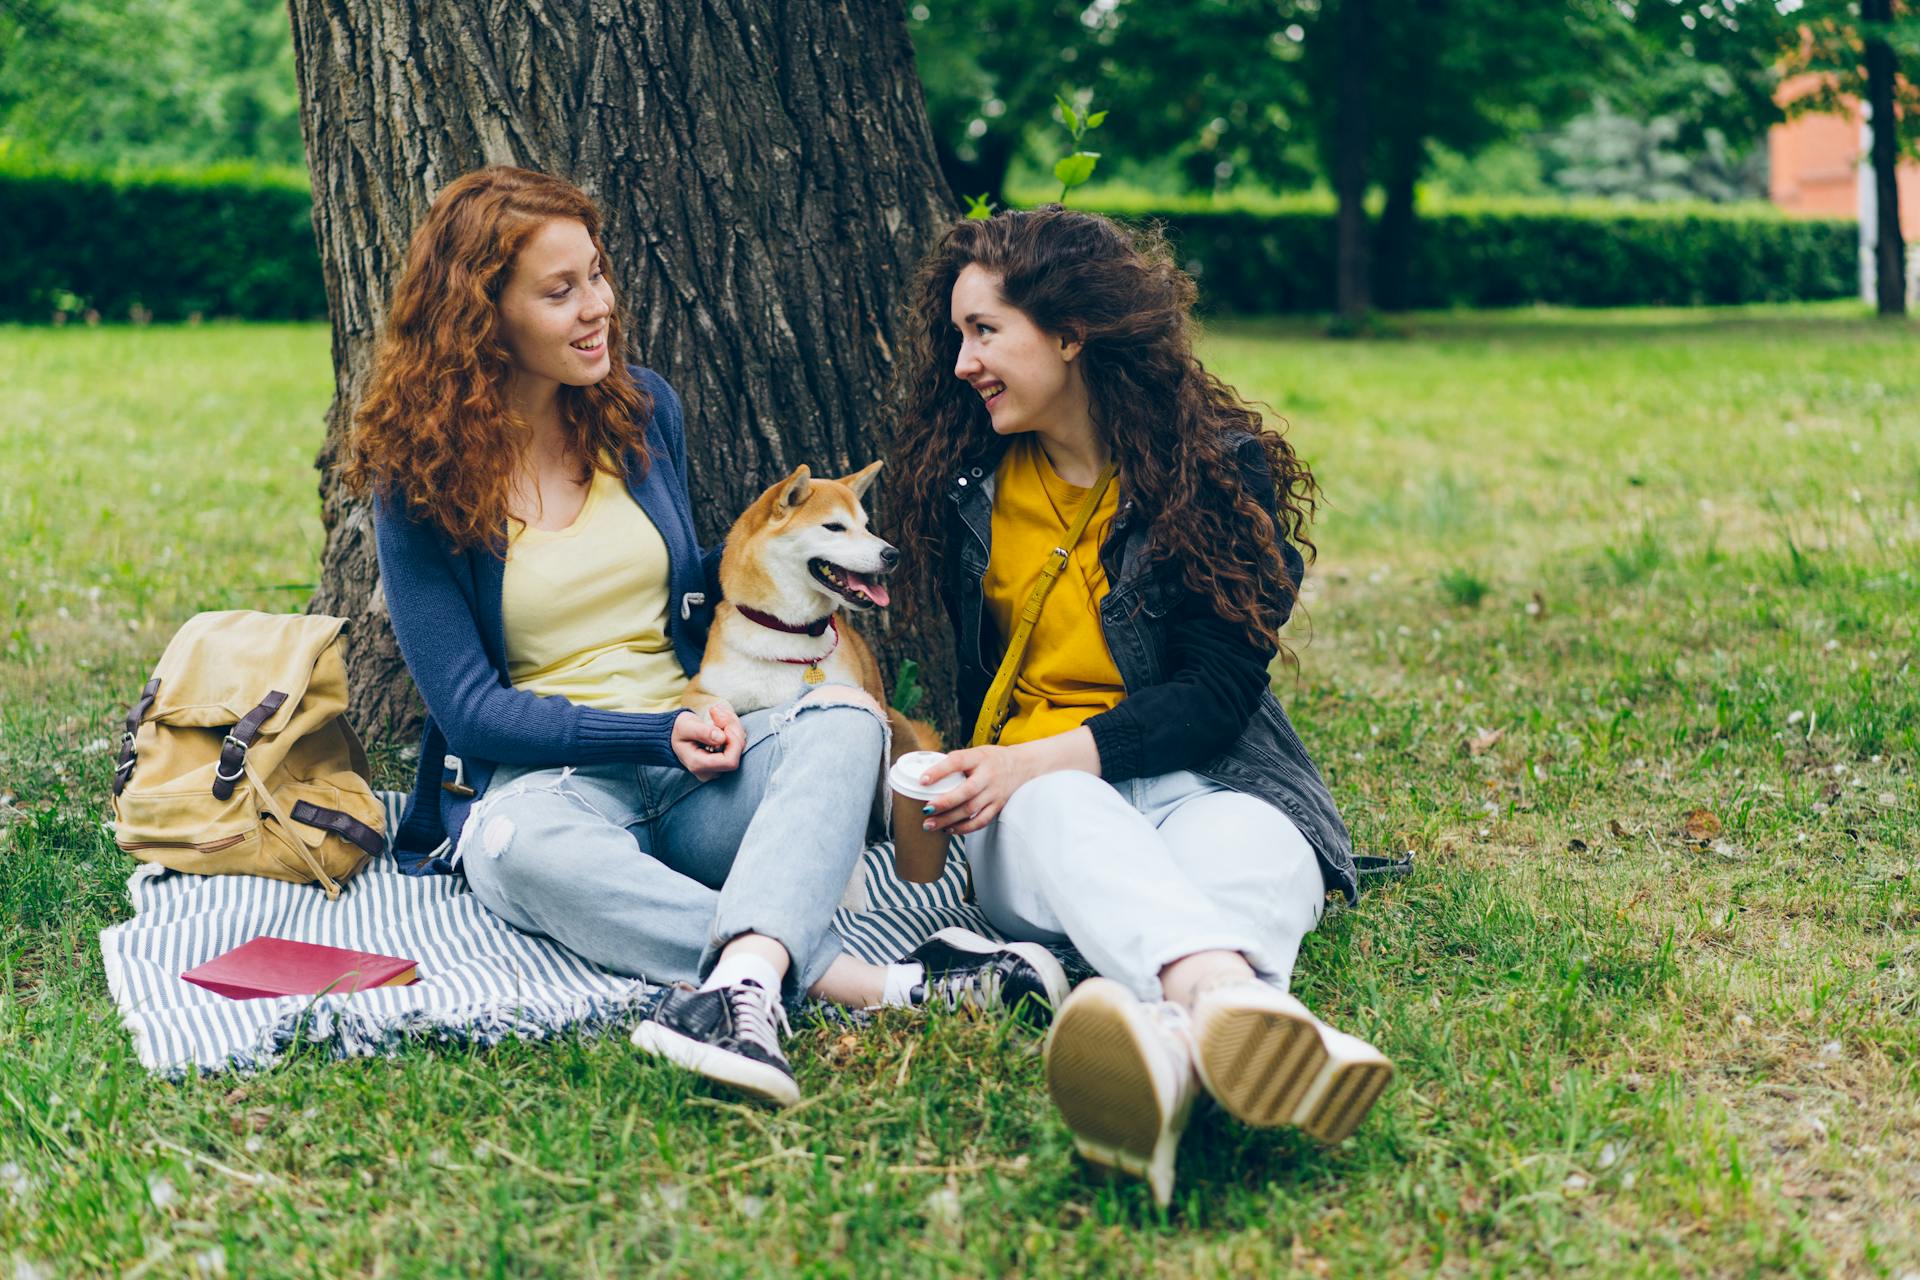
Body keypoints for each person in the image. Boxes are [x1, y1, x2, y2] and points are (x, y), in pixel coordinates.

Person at [344, 166, 1058, 1107]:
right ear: (481, 315)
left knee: (847, 717)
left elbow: (694, 588)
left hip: (711, 765)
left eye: (596, 275)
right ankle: (857, 982)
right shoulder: (418, 481)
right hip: (560, 786)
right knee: (509, 844)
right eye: (560, 292)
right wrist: (647, 735)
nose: (597, 307)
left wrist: (801, 563)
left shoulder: (641, 410)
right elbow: (471, 714)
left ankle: (740, 990)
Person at [886, 207, 1393, 1204]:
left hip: (1213, 776)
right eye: (958, 335)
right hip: (1028, 804)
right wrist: (1016, 762)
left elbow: (1215, 696)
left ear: (1071, 332)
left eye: (984, 331)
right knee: (1070, 809)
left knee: (1255, 846)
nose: (961, 363)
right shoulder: (964, 483)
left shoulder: (1210, 470)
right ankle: (1230, 1001)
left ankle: (1168, 1055)